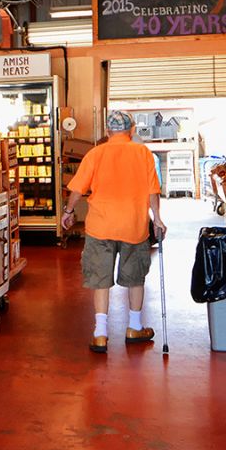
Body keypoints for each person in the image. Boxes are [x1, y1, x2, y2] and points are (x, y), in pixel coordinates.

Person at [62, 109, 165, 354]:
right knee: (135, 278)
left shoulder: (95, 153)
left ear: (107, 131)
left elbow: (77, 189)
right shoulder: (143, 153)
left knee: (100, 280)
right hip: (134, 226)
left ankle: (100, 333)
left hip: (101, 227)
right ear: (132, 130)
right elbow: (153, 191)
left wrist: (68, 211)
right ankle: (134, 328)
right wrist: (158, 219)